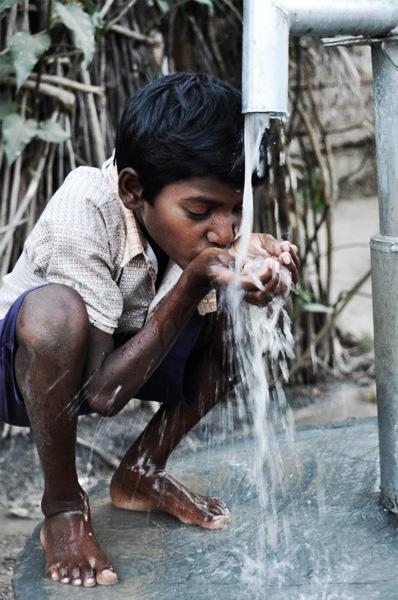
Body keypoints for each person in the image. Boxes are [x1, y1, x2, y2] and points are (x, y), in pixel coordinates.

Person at [0, 73, 299, 588]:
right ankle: (64, 508)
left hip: (122, 350)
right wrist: (197, 276)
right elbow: (99, 394)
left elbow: (224, 262)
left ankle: (141, 469)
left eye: (238, 211)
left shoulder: (200, 217)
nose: (225, 231)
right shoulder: (85, 209)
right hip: (24, 373)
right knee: (56, 313)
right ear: (134, 189)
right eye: (201, 211)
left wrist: (268, 274)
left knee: (234, 316)